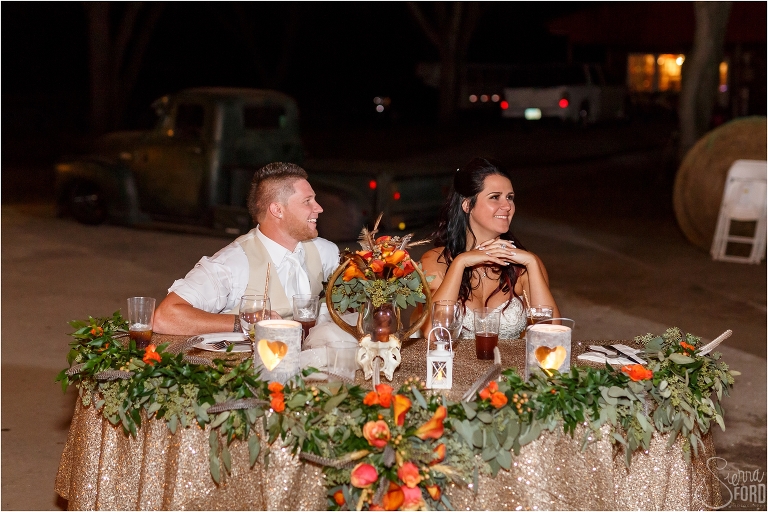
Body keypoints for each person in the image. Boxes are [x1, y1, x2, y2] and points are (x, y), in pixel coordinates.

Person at [153, 162, 340, 335]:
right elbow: (165, 317)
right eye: (307, 201)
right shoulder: (233, 263)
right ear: (277, 210)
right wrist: (243, 322)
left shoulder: (326, 253)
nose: (319, 208)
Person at [420, 157, 560, 340]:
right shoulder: (435, 262)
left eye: (510, 197)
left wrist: (532, 263)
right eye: (495, 197)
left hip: (510, 368)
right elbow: (434, 334)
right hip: (455, 367)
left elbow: (552, 337)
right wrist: (460, 263)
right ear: (467, 205)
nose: (507, 206)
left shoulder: (524, 265)